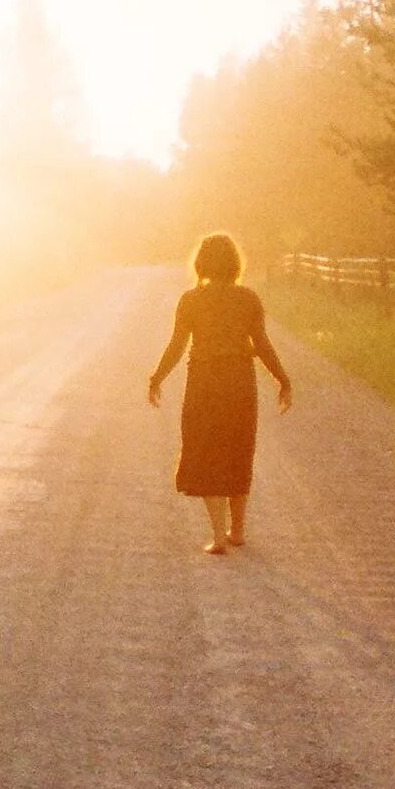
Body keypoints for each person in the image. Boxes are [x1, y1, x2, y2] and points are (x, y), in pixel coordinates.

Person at [146, 232, 293, 554]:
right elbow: (262, 344)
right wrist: (283, 379)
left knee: (206, 452)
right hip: (240, 380)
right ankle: (237, 530)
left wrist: (157, 377)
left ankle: (218, 536)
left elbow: (176, 344)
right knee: (239, 449)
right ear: (235, 263)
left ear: (201, 264)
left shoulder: (191, 300)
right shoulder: (248, 298)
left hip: (204, 382)